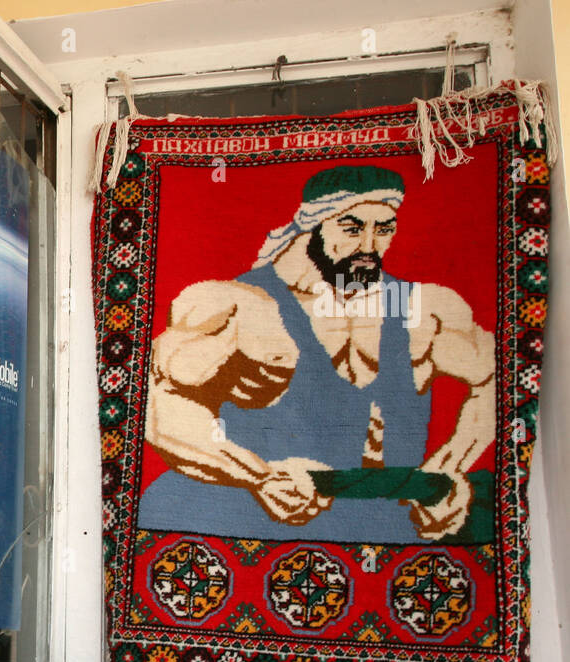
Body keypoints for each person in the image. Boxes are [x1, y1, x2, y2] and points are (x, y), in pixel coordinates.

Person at [139, 165, 495, 544]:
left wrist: (447, 469)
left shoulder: (425, 309)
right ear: (313, 223)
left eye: (385, 229)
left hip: (390, 534)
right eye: (353, 229)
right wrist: (257, 477)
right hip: (251, 532)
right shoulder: (239, 305)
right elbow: (159, 406)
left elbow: (495, 380)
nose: (370, 247)